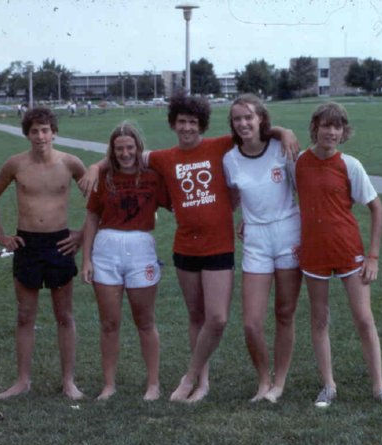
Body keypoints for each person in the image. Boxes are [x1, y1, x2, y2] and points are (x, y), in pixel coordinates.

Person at [82, 91, 299, 402]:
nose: (187, 127)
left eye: (193, 122)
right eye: (181, 121)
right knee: (196, 316)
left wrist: (284, 131)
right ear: (173, 124)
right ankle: (202, 384)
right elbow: (127, 154)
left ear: (202, 124)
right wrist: (96, 166)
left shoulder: (220, 146)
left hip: (219, 245)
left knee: (217, 318)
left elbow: (255, 131)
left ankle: (189, 376)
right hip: (185, 247)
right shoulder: (163, 157)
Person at [290, 102, 382, 409]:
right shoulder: (298, 163)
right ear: (315, 128)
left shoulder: (350, 165)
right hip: (314, 253)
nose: (331, 132)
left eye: (337, 127)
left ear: (344, 132)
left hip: (348, 251)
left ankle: (379, 388)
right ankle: (328, 386)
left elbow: (377, 208)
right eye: (326, 126)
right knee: (319, 319)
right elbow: (283, 199)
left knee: (364, 319)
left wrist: (373, 256)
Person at [0, 106, 87, 400]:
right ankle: (22, 381)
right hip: (27, 244)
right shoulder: (15, 164)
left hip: (60, 243)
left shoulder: (70, 163)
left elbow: (98, 200)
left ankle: (68, 381)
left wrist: (82, 234)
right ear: (27, 134)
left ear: (54, 132)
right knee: (24, 316)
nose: (40, 136)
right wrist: (1, 235)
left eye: (45, 130)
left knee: (64, 315)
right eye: (34, 131)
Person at [81, 122, 169, 401]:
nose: (125, 153)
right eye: (119, 149)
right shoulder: (104, 177)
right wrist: (86, 259)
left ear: (138, 147)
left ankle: (153, 384)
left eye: (130, 147)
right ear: (112, 151)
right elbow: (92, 217)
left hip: (141, 248)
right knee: (109, 323)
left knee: (145, 320)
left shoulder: (153, 177)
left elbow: (176, 203)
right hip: (106, 249)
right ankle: (109, 384)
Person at [222, 94, 302, 403]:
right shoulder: (230, 159)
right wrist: (245, 218)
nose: (243, 123)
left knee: (285, 312)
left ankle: (279, 382)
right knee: (251, 322)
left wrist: (284, 131)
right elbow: (235, 197)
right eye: (237, 119)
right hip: (255, 240)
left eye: (248, 117)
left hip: (288, 233)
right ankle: (263, 380)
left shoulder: (282, 147)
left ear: (261, 119)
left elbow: (302, 190)